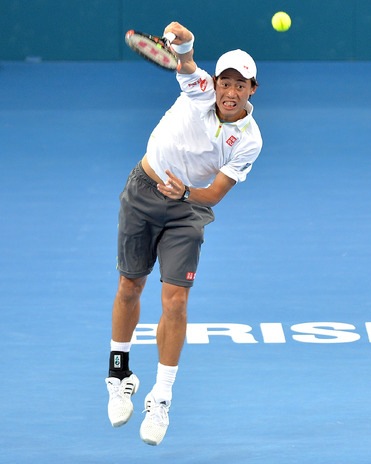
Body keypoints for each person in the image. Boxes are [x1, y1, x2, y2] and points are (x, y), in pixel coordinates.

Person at [104, 22, 262, 446]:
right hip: (143, 190)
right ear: (216, 83)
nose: (229, 91)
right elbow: (188, 59)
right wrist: (184, 40)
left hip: (189, 210)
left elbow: (213, 194)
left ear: (252, 90)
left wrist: (184, 192)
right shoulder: (198, 88)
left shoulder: (249, 140)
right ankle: (119, 373)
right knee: (128, 285)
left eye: (239, 85)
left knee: (174, 300)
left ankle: (161, 396)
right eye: (224, 82)